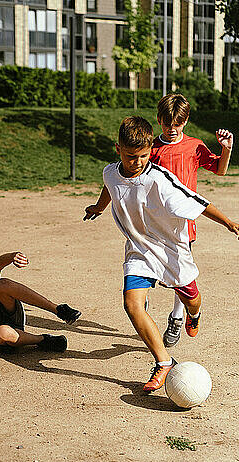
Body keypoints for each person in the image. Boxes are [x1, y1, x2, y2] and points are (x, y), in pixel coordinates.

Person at [84, 116, 239, 392]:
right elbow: (110, 187)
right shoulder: (109, 172)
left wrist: (229, 222)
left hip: (172, 251)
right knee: (132, 304)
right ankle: (164, 361)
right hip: (139, 250)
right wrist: (98, 207)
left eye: (144, 156)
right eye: (131, 156)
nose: (138, 162)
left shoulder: (159, 179)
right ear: (117, 148)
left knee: (191, 299)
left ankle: (194, 314)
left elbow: (198, 203)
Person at [151, 93, 234, 347]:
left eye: (177, 123)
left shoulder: (194, 146)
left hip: (184, 224)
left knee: (180, 272)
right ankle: (141, 312)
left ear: (185, 121)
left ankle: (178, 316)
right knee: (149, 269)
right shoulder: (151, 147)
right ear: (159, 120)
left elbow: (219, 169)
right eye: (167, 123)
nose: (172, 129)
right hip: (155, 222)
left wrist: (226, 149)